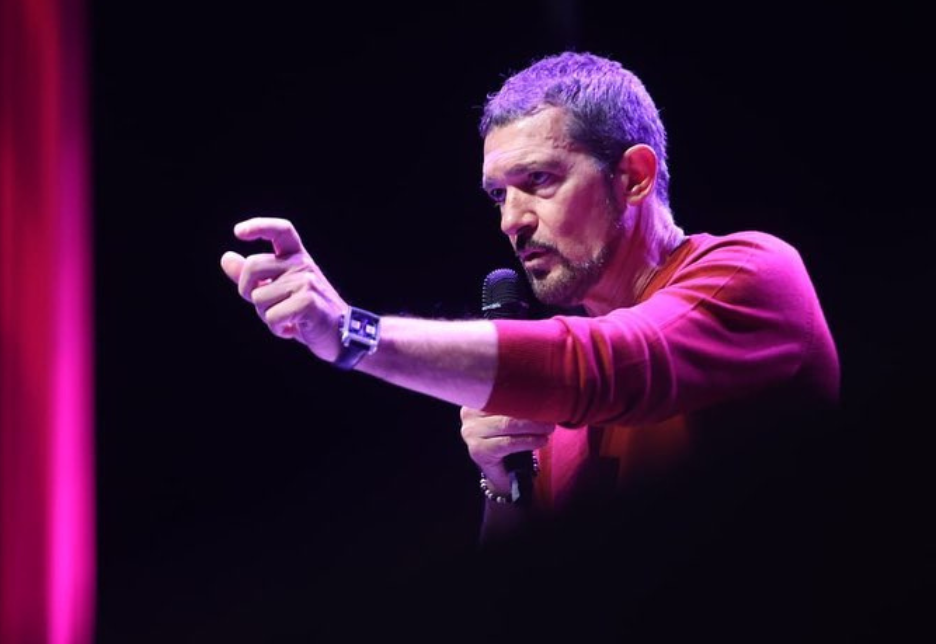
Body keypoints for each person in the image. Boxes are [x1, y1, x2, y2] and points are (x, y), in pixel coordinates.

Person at [220, 51, 840, 545]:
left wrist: (353, 333)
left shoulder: (752, 274)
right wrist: (501, 486)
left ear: (634, 177)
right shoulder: (552, 409)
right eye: (498, 196)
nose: (510, 222)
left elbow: (607, 364)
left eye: (538, 181)